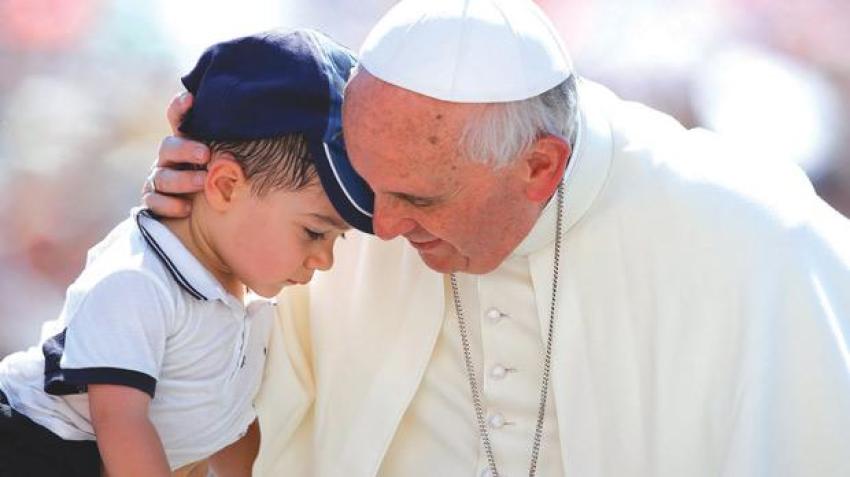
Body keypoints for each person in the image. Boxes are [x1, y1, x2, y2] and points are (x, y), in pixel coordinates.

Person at [147, 1, 850, 476]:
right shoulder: (331, 187)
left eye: (419, 198)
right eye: (369, 183)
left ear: (541, 166)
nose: (379, 227)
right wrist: (190, 228)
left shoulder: (754, 244)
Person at [0, 29, 372, 477]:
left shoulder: (232, 295)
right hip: (33, 447)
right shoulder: (136, 281)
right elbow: (121, 424)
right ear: (225, 186)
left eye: (338, 239)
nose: (325, 259)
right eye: (314, 232)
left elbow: (221, 426)